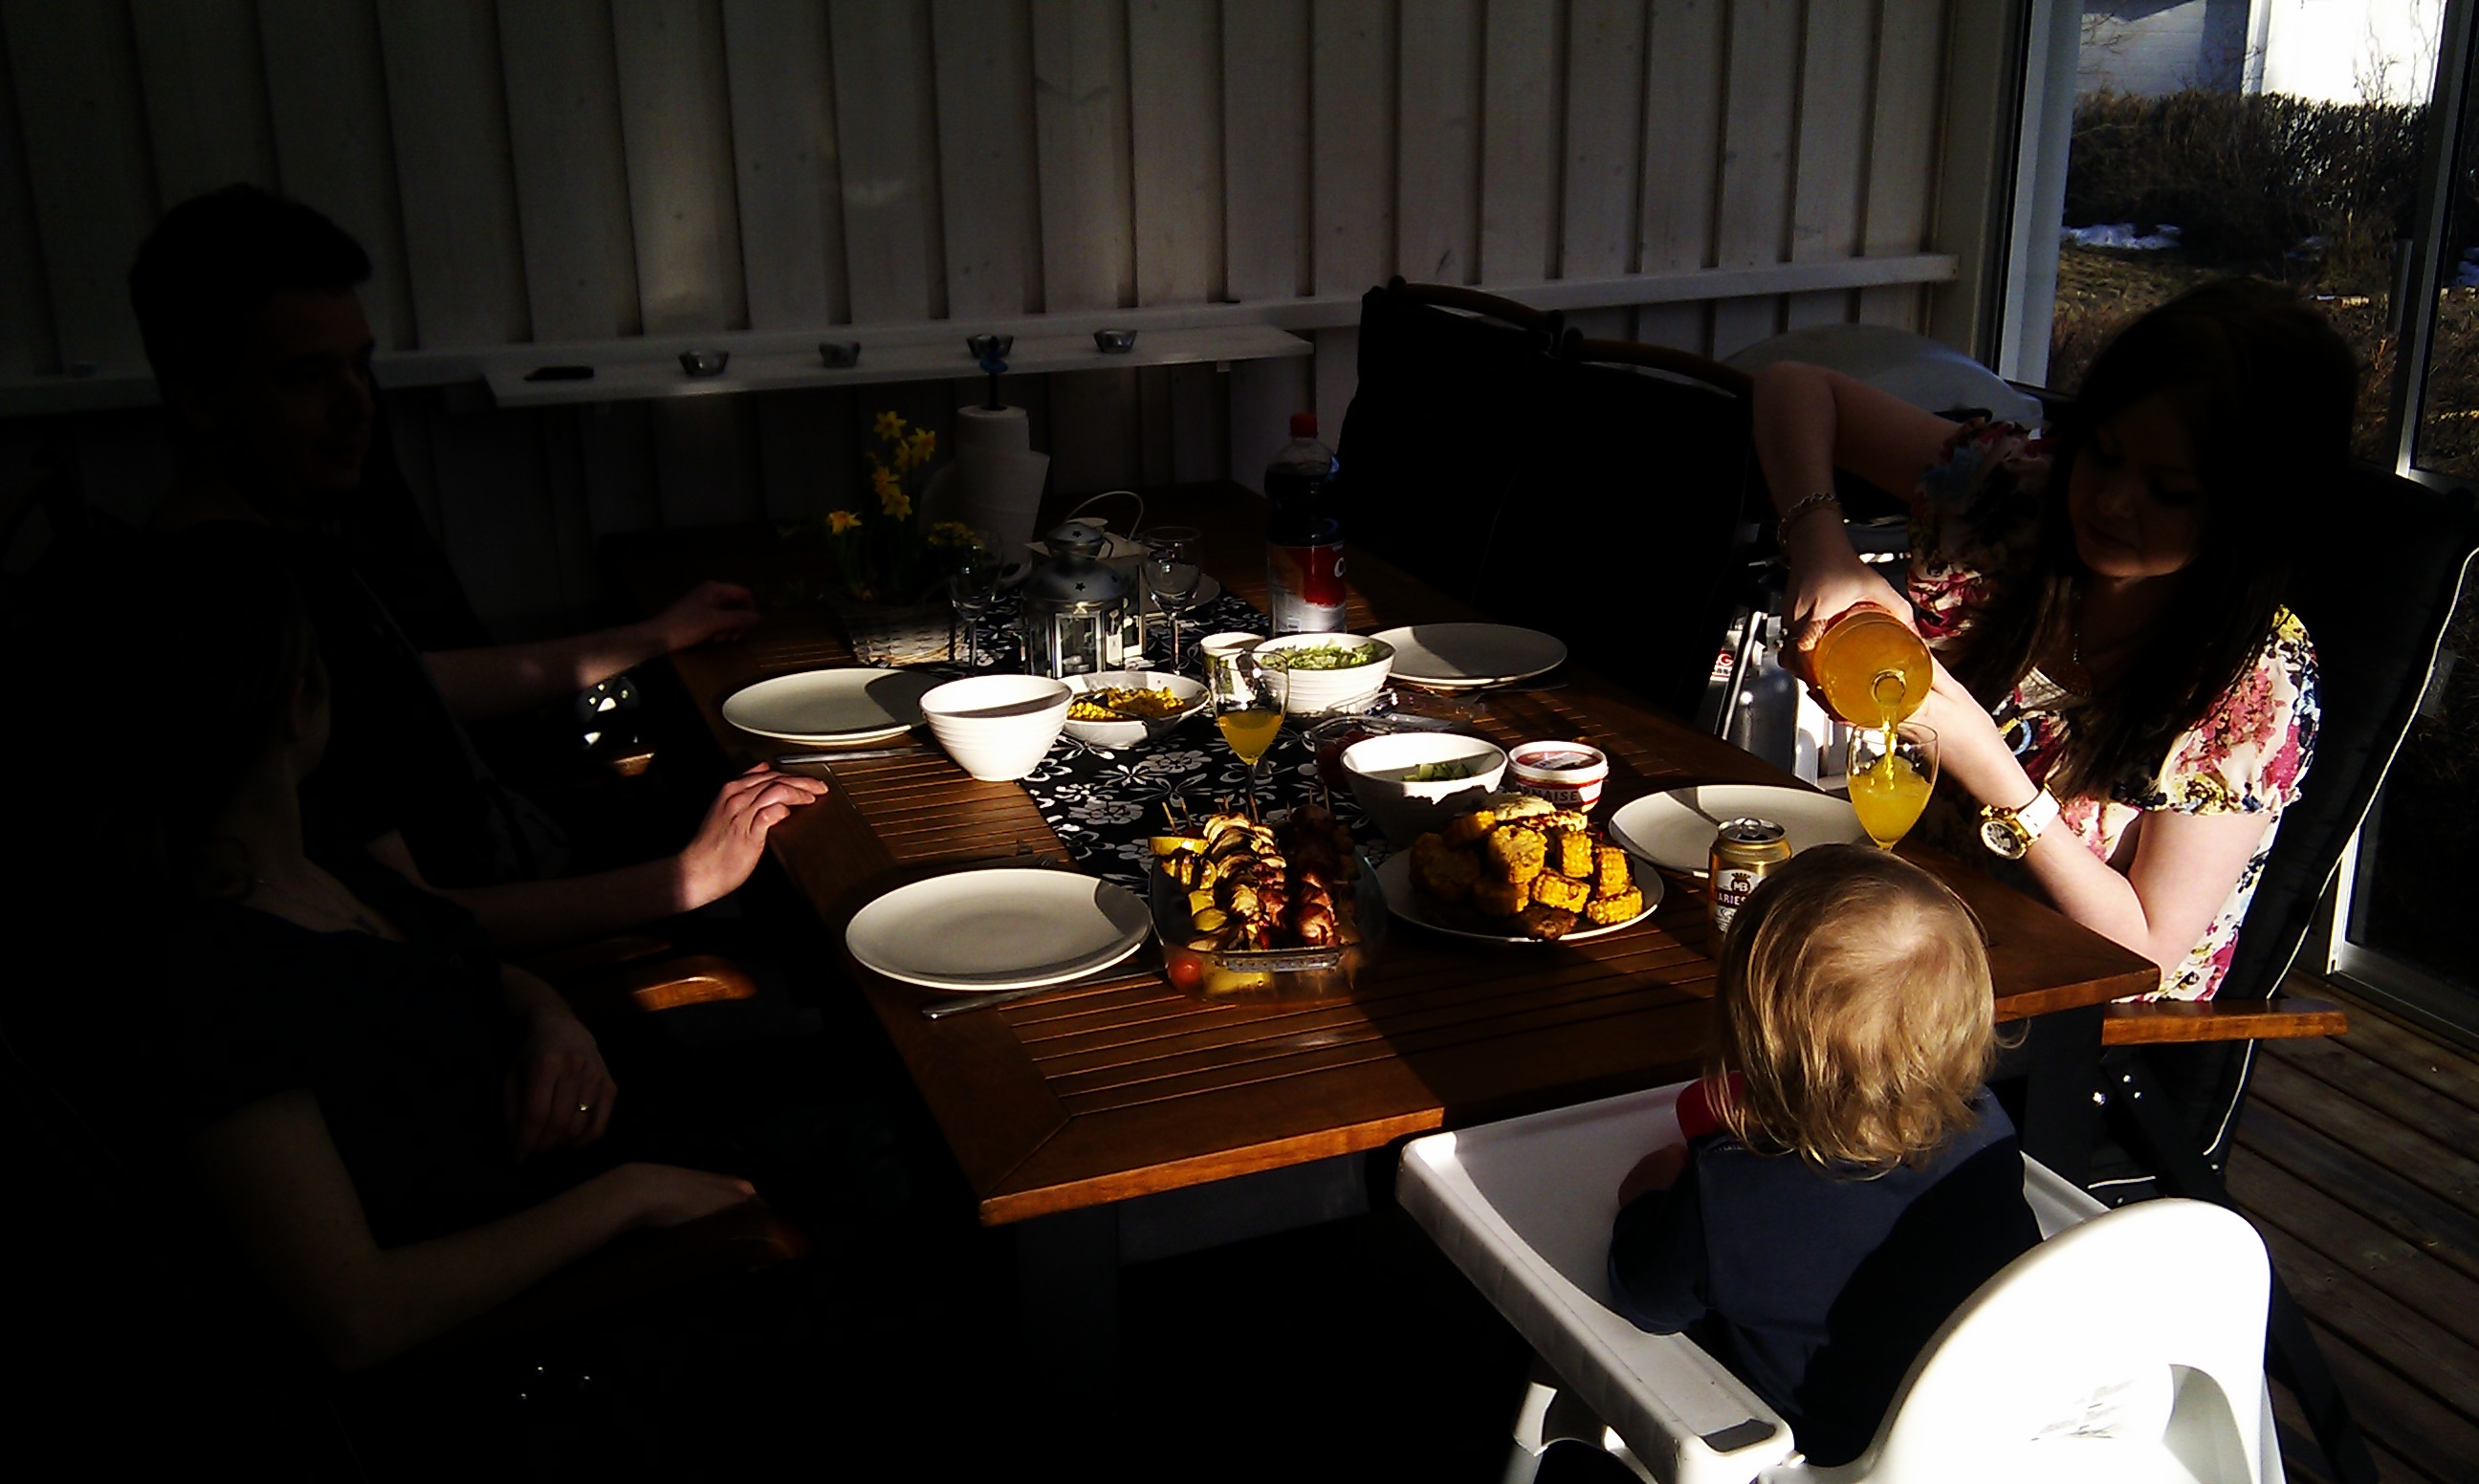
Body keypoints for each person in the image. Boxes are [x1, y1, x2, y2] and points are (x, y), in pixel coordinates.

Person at [6, 533, 763, 1374]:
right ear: (295, 700)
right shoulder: (208, 982)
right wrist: (631, 1196)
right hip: (579, 1312)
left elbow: (468, 960)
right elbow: (358, 1314)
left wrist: (554, 1024)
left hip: (639, 1164)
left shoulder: (307, 852)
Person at [127, 184, 823, 950]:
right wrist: (692, 876)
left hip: (530, 836)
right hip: (515, 935)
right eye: (308, 377)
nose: (358, 406)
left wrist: (652, 635)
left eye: (360, 368)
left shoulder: (275, 542)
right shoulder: (235, 622)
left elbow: (409, 684)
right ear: (201, 400)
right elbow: (413, 923)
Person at [1753, 279, 2354, 998]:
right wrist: (1820, 544)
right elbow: (1794, 386)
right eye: (2103, 453)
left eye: (2169, 491)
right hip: (1912, 941)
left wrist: (1988, 764)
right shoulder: (2017, 498)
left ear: (2256, 510)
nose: (2112, 501)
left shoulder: (2256, 683)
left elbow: (2146, 954)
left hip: (2078, 1011)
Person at [1607, 847, 2040, 1466]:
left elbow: (1645, 1301)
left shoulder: (1732, 1194)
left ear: (1753, 1033)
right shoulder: (1986, 1133)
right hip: (1975, 1436)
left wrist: (1647, 1197)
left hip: (1828, 1460)